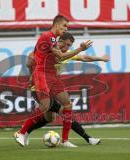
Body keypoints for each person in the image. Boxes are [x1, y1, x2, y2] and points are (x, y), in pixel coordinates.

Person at [24, 32, 109, 146]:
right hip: (38, 89)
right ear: (60, 41)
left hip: (51, 88)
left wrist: (100, 58)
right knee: (65, 111)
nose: (68, 47)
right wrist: (31, 75)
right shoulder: (48, 51)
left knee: (49, 118)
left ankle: (25, 132)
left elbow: (84, 57)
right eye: (67, 44)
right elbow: (30, 60)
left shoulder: (66, 55)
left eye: (70, 46)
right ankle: (86, 139)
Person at [14, 15, 86, 147]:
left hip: (51, 76)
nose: (65, 29)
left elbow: (53, 55)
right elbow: (60, 55)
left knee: (67, 104)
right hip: (41, 74)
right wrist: (80, 49)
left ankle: (65, 140)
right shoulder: (49, 36)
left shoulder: (51, 39)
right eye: (64, 26)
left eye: (67, 26)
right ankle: (22, 131)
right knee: (45, 106)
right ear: (57, 24)